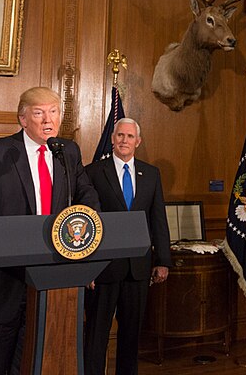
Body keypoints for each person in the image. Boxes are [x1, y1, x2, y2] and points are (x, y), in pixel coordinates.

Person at [0, 86, 100, 375]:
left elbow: (87, 196)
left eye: (54, 112)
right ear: (22, 119)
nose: (48, 120)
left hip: (48, 285)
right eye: (39, 112)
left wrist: (88, 237)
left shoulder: (67, 152)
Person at [83, 118, 172, 375]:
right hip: (103, 269)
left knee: (131, 334)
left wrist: (163, 260)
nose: (124, 140)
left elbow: (158, 219)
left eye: (130, 136)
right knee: (97, 333)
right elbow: (87, 223)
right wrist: (88, 267)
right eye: (120, 135)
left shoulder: (151, 173)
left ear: (138, 142)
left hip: (138, 268)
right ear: (112, 139)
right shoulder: (93, 172)